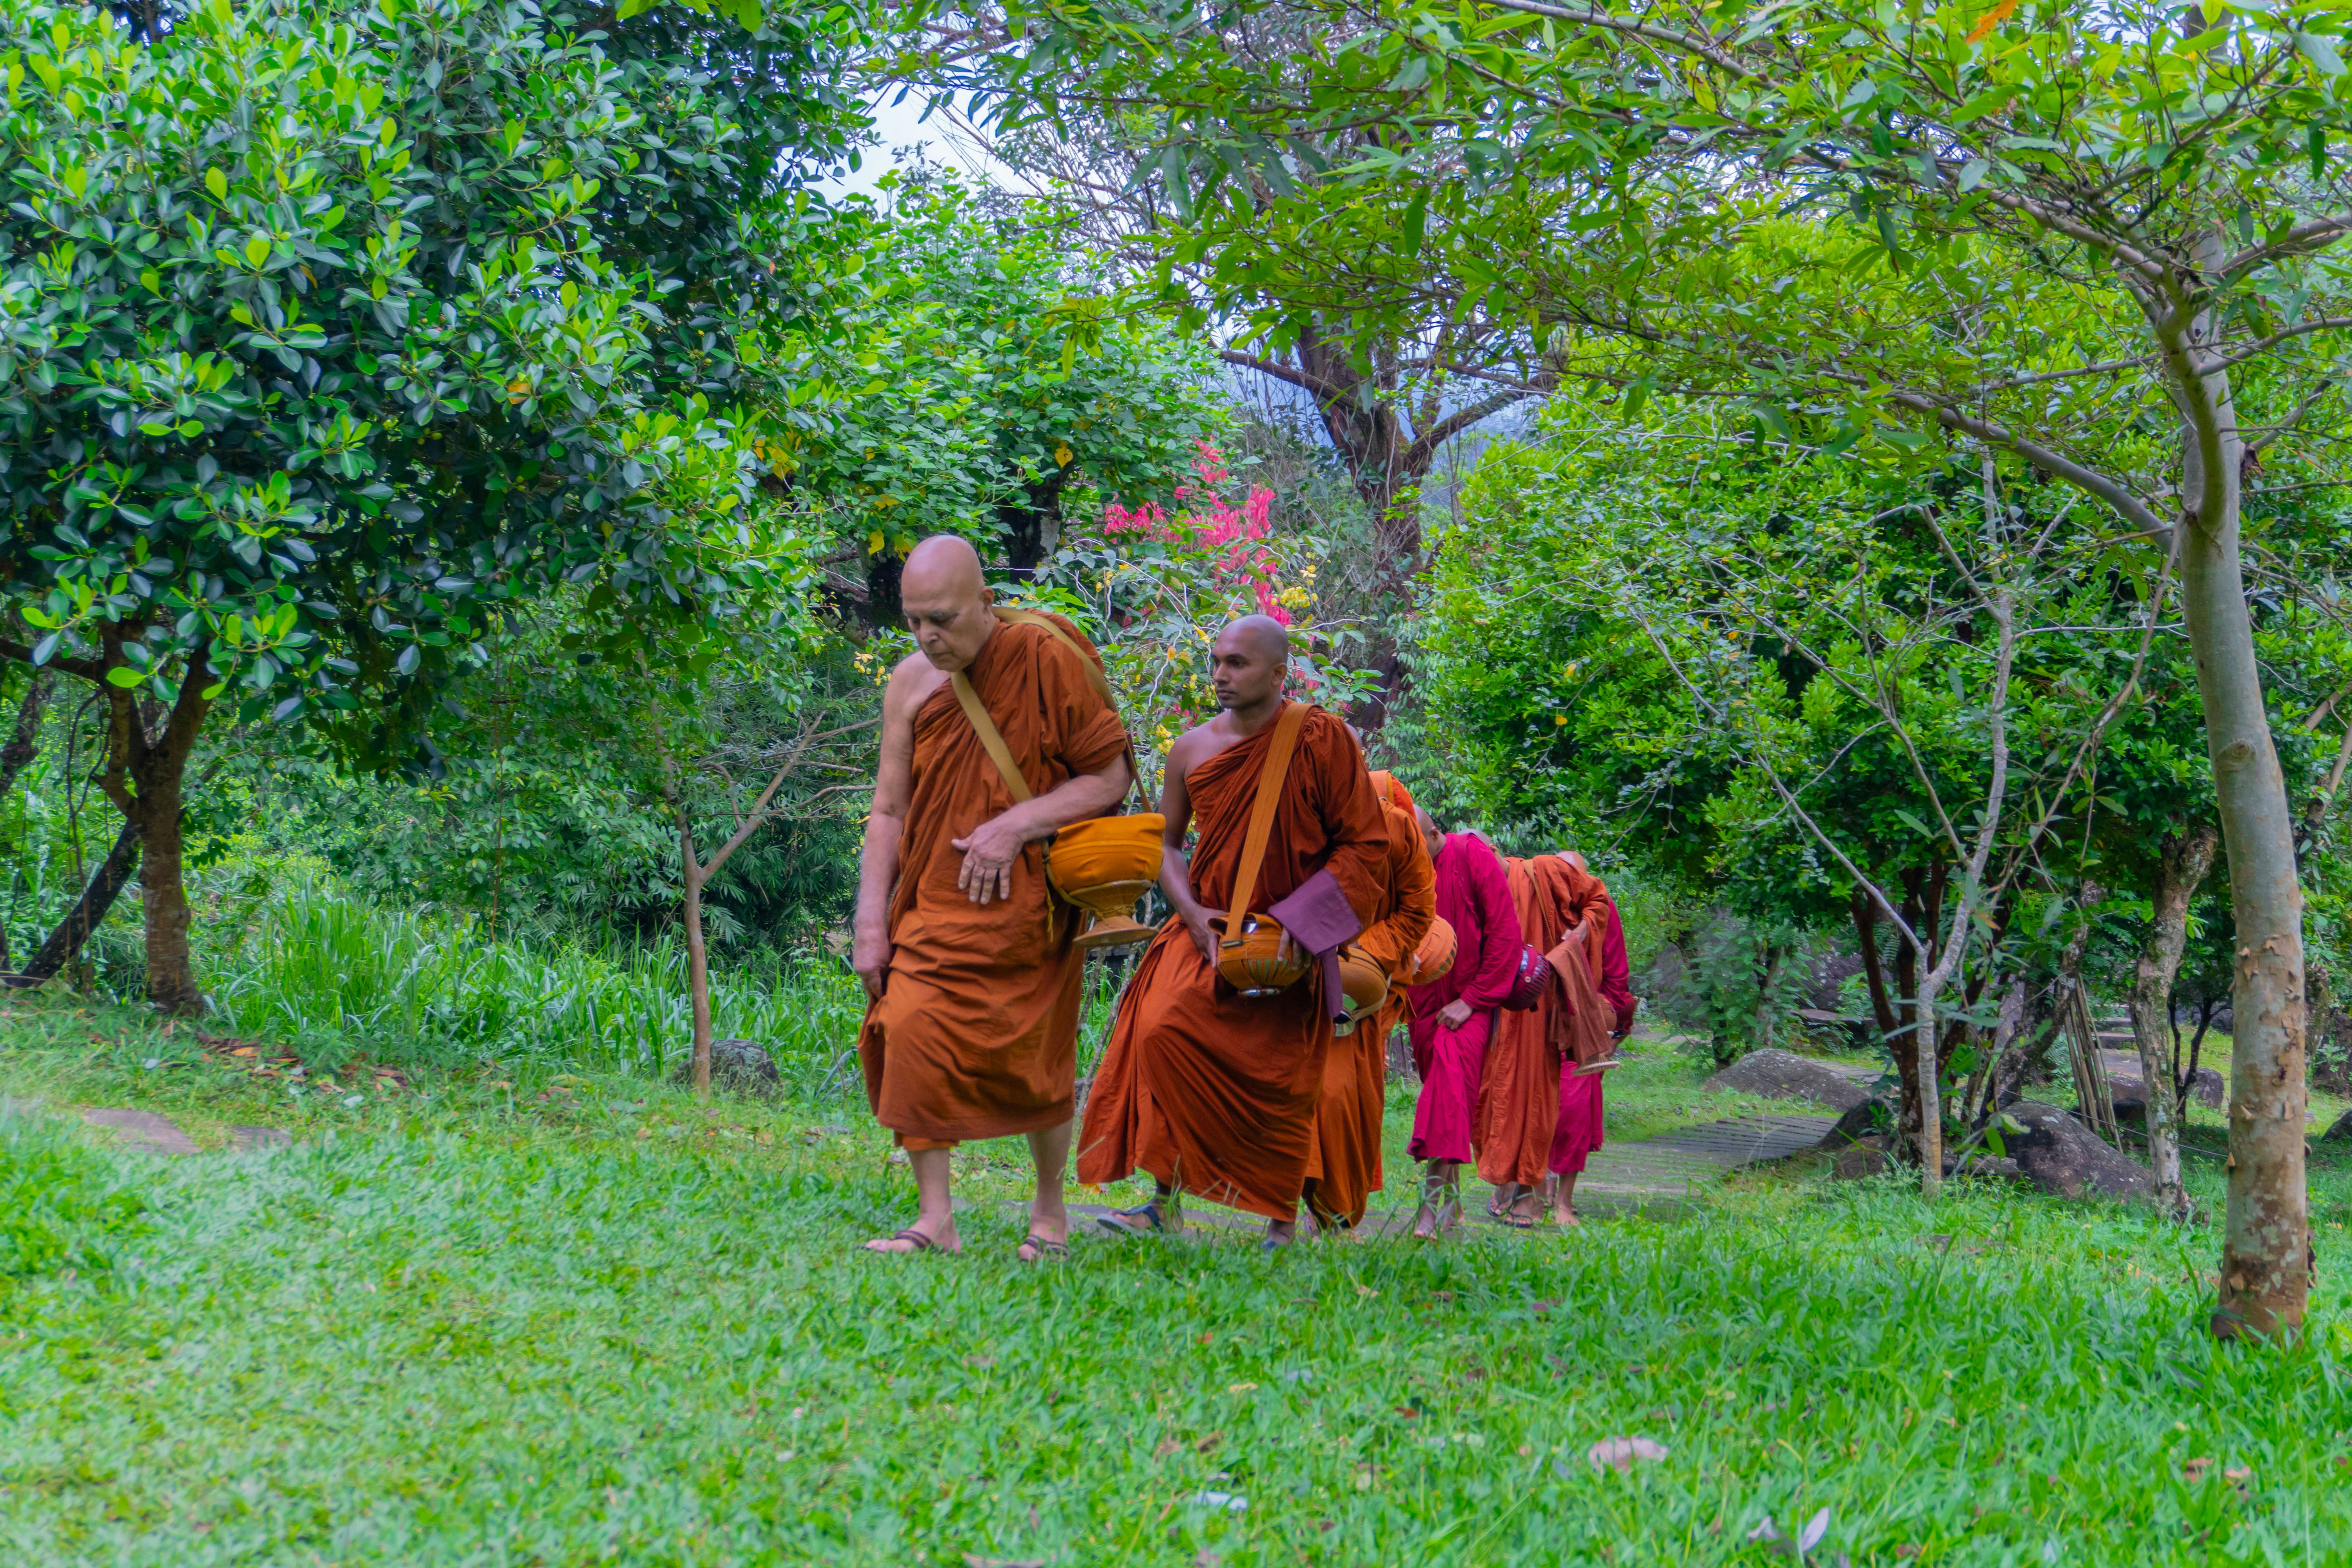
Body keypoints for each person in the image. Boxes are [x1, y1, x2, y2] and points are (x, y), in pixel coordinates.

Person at [852, 535, 1134, 1259]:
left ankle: (1048, 1214)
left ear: (985, 601)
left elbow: (1107, 777)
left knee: (1038, 1059)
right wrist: (868, 923)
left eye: (942, 618)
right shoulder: (910, 685)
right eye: (914, 621)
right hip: (933, 904)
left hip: (1029, 909)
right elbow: (887, 811)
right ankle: (934, 1219)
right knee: (908, 1026)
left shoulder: (1044, 657)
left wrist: (1015, 824)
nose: (927, 637)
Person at [1077, 615, 1389, 1249]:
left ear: (1280, 675)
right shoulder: (1191, 749)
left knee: (1288, 1075)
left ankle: (1282, 1219)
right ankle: (1164, 1200)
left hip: (1291, 939)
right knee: (1161, 1031)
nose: (1220, 674)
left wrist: (1304, 929)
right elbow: (1165, 844)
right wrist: (1190, 914)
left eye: (1237, 663)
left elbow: (1365, 846)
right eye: (1216, 660)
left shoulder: (1322, 741)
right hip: (1208, 929)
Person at [1299, 769, 1434, 1233]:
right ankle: (1279, 1214)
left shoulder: (1394, 815)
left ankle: (1334, 1215)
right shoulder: (1296, 813)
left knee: (1342, 1097)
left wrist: (1363, 957)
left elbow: (1419, 906)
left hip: (1363, 989)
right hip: (1297, 971)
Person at [1403, 806, 1521, 1238]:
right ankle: (1453, 1204)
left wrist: (1471, 1001)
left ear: (1436, 833)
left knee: (1449, 1090)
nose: (1411, 853)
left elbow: (1506, 936)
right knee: (1442, 1093)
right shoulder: (1406, 867)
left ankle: (1429, 1212)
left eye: (1417, 843)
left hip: (1470, 1004)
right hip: (1421, 1002)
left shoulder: (1472, 855)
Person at [1474, 853, 1577, 1226]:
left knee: (1534, 1097)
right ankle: (1505, 1182)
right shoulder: (1486, 883)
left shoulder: (1549, 876)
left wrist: (1575, 939)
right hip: (1493, 1006)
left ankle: (1531, 1195)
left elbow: (1598, 916)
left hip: (1542, 1011)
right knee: (1490, 1098)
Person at [1544, 851, 1638, 1225]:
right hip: (1535, 1019)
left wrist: (1615, 1029)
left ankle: (1563, 1201)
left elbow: (1617, 975)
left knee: (1575, 1109)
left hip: (1586, 1024)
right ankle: (1532, 1192)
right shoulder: (1537, 902)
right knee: (1530, 1106)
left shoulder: (1601, 912)